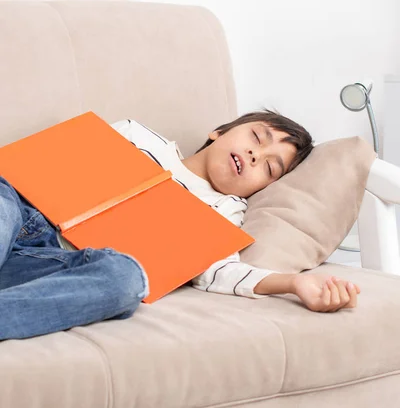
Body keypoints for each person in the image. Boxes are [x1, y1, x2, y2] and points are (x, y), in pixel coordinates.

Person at [0, 109, 360, 340]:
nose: (255, 155)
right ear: (219, 131)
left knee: (127, 279)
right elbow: (53, 159)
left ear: (263, 188)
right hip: (20, 210)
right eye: (256, 138)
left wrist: (295, 283)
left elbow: (223, 273)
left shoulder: (226, 213)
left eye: (268, 167)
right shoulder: (136, 134)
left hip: (50, 264)